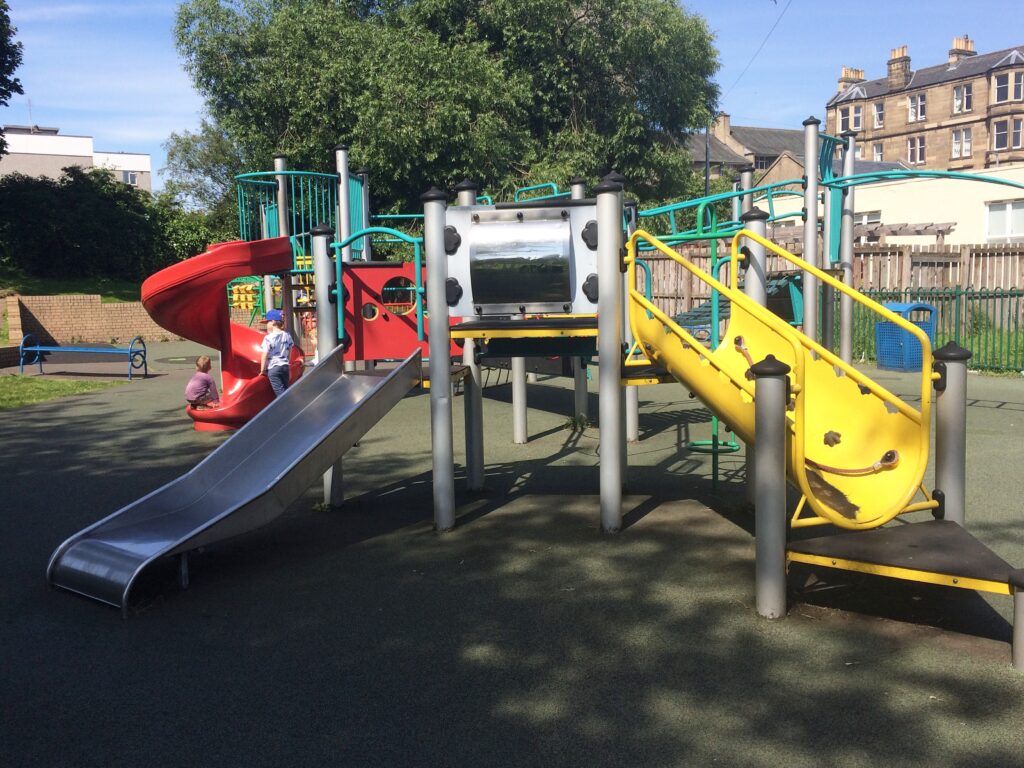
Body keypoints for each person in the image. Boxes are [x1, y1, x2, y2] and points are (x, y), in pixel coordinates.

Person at [260, 308, 294, 397]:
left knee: (279, 392)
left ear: (273, 322)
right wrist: (288, 363)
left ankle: (285, 408)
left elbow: (264, 355)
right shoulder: (287, 335)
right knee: (286, 389)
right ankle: (289, 405)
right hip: (285, 366)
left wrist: (262, 370)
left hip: (273, 368)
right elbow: (290, 350)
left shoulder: (268, 338)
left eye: (268, 322)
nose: (267, 325)